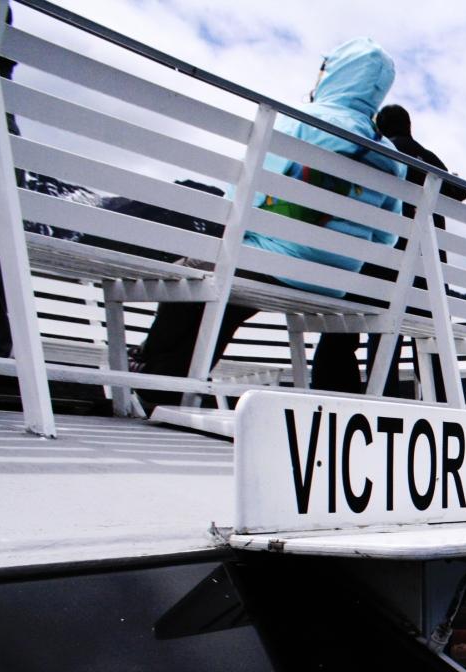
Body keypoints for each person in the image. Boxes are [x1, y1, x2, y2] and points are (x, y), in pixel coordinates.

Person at [134, 38, 406, 406]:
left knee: (186, 276)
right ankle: (164, 384)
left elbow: (243, 201)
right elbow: (386, 239)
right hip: (335, 282)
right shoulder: (391, 157)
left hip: (274, 263)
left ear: (335, 74)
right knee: (225, 302)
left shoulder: (302, 122)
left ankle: (150, 374)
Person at [310, 103, 466, 397]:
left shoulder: (383, 153)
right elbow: (461, 191)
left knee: (358, 318)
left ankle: (371, 393)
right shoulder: (429, 159)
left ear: (380, 127)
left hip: (386, 270)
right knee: (429, 334)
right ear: (408, 126)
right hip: (429, 281)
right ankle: (442, 397)